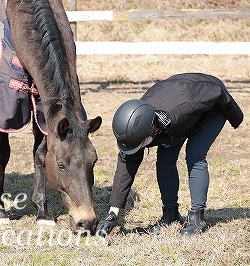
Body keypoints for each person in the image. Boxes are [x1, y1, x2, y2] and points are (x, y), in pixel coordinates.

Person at [96, 73, 244, 237]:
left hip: (211, 108)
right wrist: (112, 213)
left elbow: (216, 90)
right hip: (173, 118)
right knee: (165, 161)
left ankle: (197, 220)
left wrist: (236, 117)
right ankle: (170, 216)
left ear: (151, 129)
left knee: (195, 156)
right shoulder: (138, 125)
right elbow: (126, 164)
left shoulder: (185, 106)